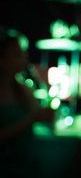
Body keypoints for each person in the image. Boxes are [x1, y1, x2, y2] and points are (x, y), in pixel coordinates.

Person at [0, 26, 56, 177]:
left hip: (27, 168)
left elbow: (47, 120)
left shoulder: (22, 88)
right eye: (17, 54)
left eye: (24, 53)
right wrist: (32, 120)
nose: (24, 58)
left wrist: (48, 89)